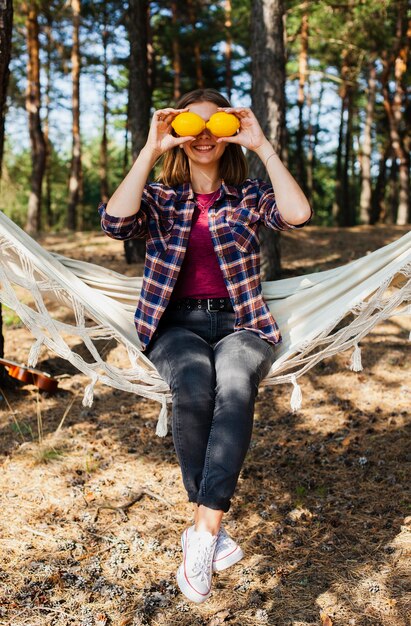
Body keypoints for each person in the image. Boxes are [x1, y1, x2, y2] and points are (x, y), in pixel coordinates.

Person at [99, 88, 312, 604]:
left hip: (242, 323)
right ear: (179, 138)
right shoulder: (160, 198)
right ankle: (210, 532)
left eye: (210, 127)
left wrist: (262, 145)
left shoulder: (249, 194)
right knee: (194, 384)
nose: (200, 138)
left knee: (235, 383)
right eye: (189, 129)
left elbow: (298, 214)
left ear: (226, 134)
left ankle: (202, 533)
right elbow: (114, 223)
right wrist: (151, 149)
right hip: (175, 326)